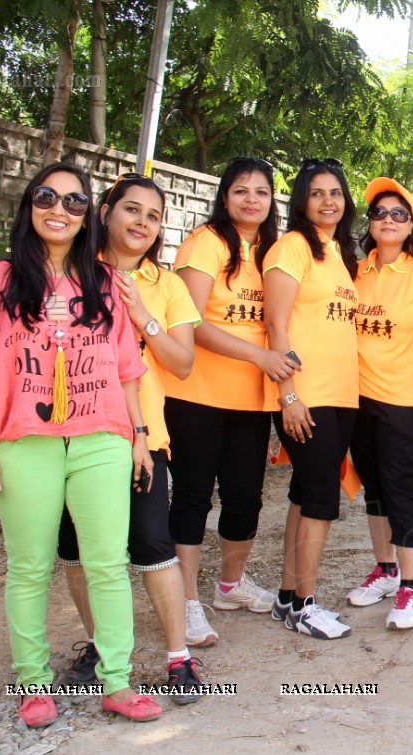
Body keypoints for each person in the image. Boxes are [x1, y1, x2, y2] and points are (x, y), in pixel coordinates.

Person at [0, 163, 161, 724]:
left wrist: (138, 438)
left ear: (86, 216)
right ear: (29, 205)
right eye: (47, 197)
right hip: (24, 442)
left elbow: (126, 370)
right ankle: (33, 683)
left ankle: (116, 682)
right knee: (29, 566)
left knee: (108, 565)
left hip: (102, 440)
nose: (59, 210)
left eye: (74, 202)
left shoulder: (104, 282)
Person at [56, 174, 204, 703]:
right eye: (132, 210)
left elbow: (184, 365)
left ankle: (178, 657)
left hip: (146, 437)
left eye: (154, 215)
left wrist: (142, 315)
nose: (142, 222)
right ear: (105, 213)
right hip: (74, 433)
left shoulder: (167, 286)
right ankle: (98, 646)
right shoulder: (72, 275)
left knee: (151, 543)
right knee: (76, 548)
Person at [166, 157, 296, 646]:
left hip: (250, 402)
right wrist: (259, 356)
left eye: (261, 192)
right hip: (195, 396)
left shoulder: (271, 251)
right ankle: (186, 603)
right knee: (195, 498)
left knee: (244, 498)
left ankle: (229, 587)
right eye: (242, 191)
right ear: (225, 197)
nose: (252, 200)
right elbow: (191, 322)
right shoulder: (205, 243)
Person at [346, 177, 413, 630]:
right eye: (379, 213)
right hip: (358, 398)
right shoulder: (357, 269)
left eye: (398, 214)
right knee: (375, 489)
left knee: (403, 488)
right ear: (369, 223)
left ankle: (411, 587)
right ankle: (386, 570)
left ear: (411, 224)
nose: (387, 220)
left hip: (407, 402)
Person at [263, 158, 360, 639]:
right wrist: (288, 394)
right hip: (307, 395)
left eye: (336, 193)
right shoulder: (292, 246)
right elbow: (275, 325)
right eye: (318, 192)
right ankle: (306, 604)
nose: (328, 201)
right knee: (321, 498)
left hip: (342, 396)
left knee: (305, 493)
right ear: (302, 200)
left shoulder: (337, 253)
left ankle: (286, 596)